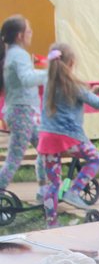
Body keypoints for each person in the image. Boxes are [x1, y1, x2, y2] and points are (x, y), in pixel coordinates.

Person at [37, 43, 99, 227]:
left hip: (47, 137)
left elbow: (68, 102)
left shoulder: (49, 83)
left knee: (53, 183)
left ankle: (51, 223)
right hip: (68, 137)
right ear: (71, 63)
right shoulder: (74, 85)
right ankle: (75, 191)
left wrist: (91, 92)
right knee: (95, 158)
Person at [0, 15, 47, 197]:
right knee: (14, 157)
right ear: (20, 35)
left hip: (24, 111)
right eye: (29, 31)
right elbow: (27, 79)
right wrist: (50, 74)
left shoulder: (14, 53)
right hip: (22, 112)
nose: (31, 34)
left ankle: (44, 190)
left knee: (45, 148)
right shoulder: (19, 55)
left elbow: (26, 75)